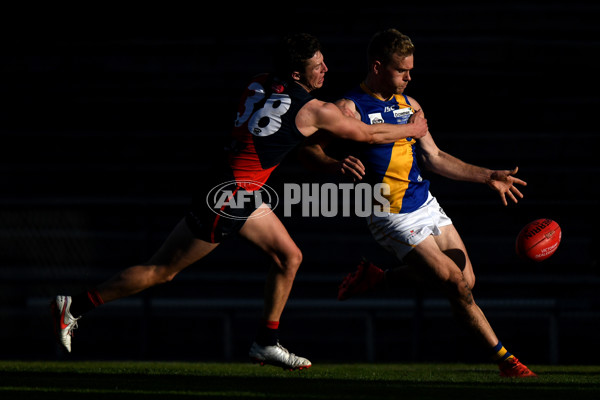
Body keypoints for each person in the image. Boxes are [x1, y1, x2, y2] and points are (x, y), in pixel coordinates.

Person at [50, 33, 428, 370]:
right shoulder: (313, 110)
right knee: (162, 271)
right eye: (317, 66)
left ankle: (265, 342)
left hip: (236, 187)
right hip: (231, 195)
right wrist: (412, 129)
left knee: (289, 256)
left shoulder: (258, 81)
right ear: (297, 74)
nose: (326, 69)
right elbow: (365, 134)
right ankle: (76, 306)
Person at [299, 28, 536, 377]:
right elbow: (307, 149)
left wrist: (488, 175)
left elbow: (436, 158)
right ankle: (507, 360)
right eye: (401, 70)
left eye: (411, 70)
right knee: (455, 284)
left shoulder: (410, 106)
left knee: (466, 281)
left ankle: (380, 278)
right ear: (378, 66)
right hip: (388, 212)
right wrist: (335, 165)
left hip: (424, 203)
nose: (409, 77)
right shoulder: (348, 108)